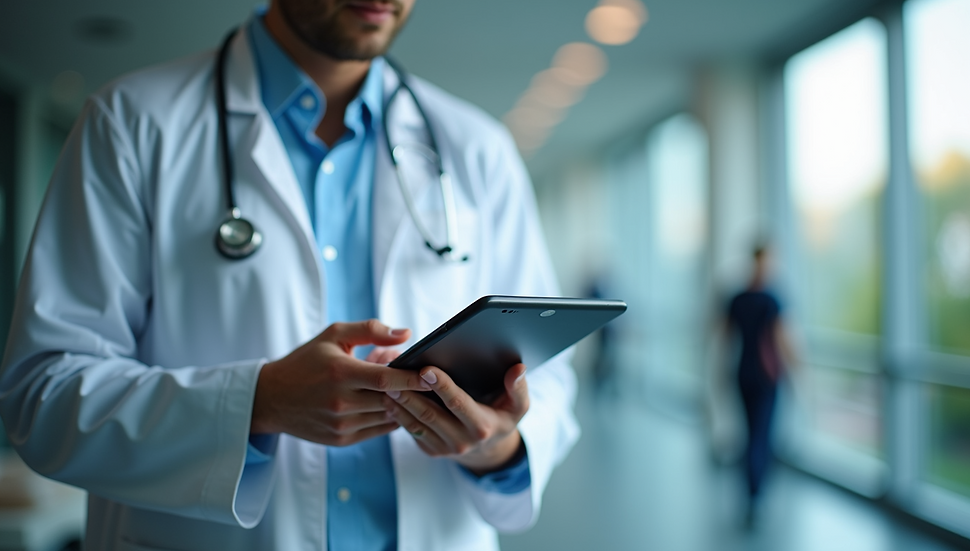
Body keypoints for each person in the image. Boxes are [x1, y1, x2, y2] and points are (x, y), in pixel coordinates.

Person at [0, 1, 579, 549]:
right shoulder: (132, 124)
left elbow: (545, 374)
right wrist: (257, 404)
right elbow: (44, 396)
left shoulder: (477, 148)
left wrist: (497, 445)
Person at [723, 244, 796, 525]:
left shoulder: (737, 298)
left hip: (743, 371)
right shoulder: (772, 299)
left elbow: (725, 336)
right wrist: (797, 374)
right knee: (761, 435)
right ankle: (756, 494)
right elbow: (783, 340)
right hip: (766, 376)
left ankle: (751, 493)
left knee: (749, 433)